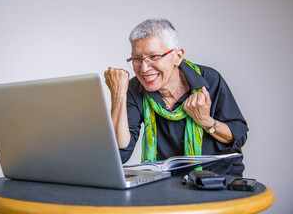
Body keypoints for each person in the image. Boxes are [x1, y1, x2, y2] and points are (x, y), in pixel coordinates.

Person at [104, 18, 248, 177]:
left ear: (177, 56)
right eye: (137, 59)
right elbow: (120, 153)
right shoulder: (134, 88)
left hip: (218, 178)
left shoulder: (210, 80)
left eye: (153, 56)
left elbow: (239, 137)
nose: (144, 68)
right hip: (169, 181)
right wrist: (118, 95)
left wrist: (205, 121)